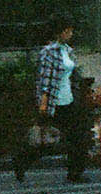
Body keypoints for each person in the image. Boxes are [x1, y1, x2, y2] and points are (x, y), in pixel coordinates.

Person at [15, 13, 90, 184]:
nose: (71, 34)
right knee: (48, 140)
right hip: (54, 103)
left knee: (77, 137)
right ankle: (22, 160)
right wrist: (43, 104)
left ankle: (75, 172)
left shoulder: (67, 51)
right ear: (61, 32)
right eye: (68, 31)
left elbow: (72, 74)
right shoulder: (48, 53)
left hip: (68, 100)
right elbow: (45, 80)